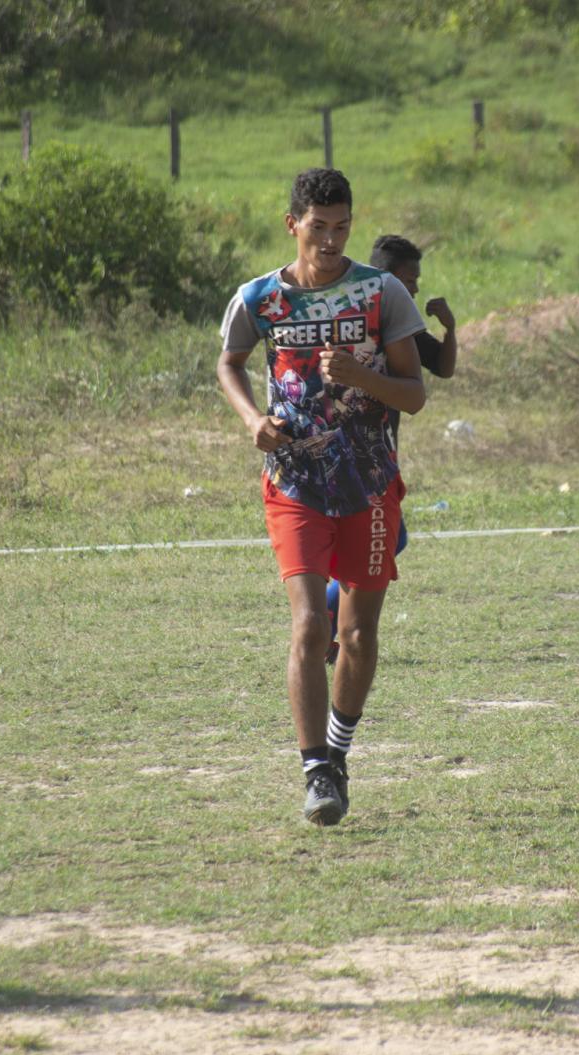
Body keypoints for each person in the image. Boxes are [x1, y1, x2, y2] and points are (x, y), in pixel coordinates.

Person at [216, 169, 426, 826]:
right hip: (295, 482)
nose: (331, 239)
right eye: (319, 227)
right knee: (310, 625)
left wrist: (363, 375)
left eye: (342, 227)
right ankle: (315, 771)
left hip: (367, 483)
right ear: (293, 225)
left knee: (358, 634)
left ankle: (337, 754)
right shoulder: (260, 298)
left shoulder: (380, 292)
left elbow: (415, 393)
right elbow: (229, 362)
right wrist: (255, 421)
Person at [324, 234, 457, 664]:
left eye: (416, 281)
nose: (415, 289)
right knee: (382, 540)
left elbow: (442, 368)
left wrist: (449, 329)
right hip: (348, 451)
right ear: (387, 277)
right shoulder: (354, 313)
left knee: (388, 538)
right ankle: (328, 619)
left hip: (383, 452)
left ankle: (330, 623)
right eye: (409, 280)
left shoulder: (398, 319)